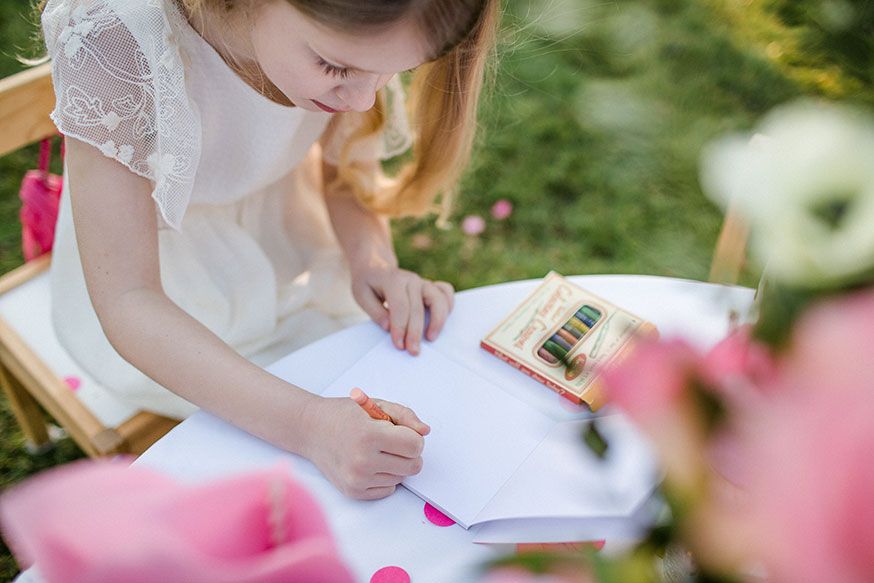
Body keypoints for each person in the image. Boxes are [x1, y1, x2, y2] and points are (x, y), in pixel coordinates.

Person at [38, 0, 498, 499]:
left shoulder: (370, 29)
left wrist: (373, 262)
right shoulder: (113, 40)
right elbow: (128, 300)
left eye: (395, 73)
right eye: (337, 67)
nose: (364, 99)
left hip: (287, 252)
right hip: (164, 306)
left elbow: (343, 170)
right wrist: (308, 425)